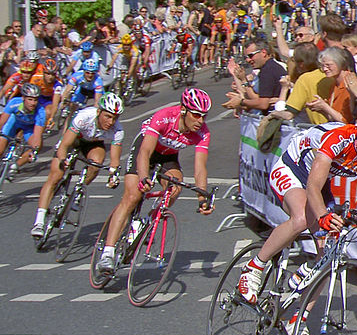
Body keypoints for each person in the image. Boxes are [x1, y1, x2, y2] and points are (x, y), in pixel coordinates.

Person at [235, 100, 357, 335]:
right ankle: (253, 267)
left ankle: (297, 319)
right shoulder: (340, 139)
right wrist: (322, 216)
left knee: (329, 254)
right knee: (302, 218)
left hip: (319, 182)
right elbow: (312, 187)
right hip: (292, 168)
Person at [96, 89, 215, 272]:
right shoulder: (164, 117)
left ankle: (146, 221)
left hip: (167, 157)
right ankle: (107, 253)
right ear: (183, 110)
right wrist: (144, 177)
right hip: (146, 149)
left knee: (175, 187)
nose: (200, 121)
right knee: (133, 196)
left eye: (204, 116)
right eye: (196, 115)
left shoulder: (203, 133)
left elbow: (200, 168)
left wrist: (202, 198)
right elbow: (144, 152)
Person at [31, 93, 124, 237]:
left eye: (115, 118)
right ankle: (39, 221)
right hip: (73, 139)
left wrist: (113, 175)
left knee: (97, 163)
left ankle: (78, 192)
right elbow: (64, 145)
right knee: (56, 175)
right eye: (108, 116)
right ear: (99, 112)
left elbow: (115, 160)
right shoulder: (84, 117)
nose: (111, 122)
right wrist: (63, 160)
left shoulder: (118, 130)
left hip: (92, 143)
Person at [223, 39, 287, 114]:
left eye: (251, 56)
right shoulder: (268, 68)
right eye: (246, 57)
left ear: (263, 53)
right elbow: (257, 99)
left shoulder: (268, 70)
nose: (248, 60)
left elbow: (263, 104)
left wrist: (241, 102)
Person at [0, 82, 45, 177]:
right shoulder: (14, 103)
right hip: (14, 122)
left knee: (38, 146)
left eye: (35, 100)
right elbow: (2, 122)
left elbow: (37, 135)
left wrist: (35, 150)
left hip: (29, 127)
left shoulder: (41, 112)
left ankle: (15, 166)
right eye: (30, 99)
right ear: (23, 98)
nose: (33, 103)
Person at [304, 46, 357, 123]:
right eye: (323, 66)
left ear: (340, 63)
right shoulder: (334, 85)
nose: (325, 69)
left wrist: (325, 107)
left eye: (328, 65)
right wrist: (321, 109)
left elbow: (346, 120)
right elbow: (333, 117)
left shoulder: (350, 83)